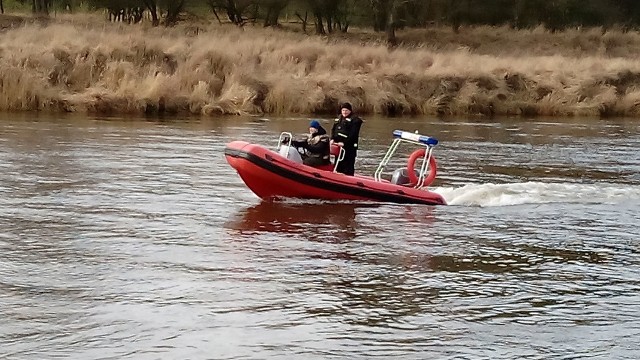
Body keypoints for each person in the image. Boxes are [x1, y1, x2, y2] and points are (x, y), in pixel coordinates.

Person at [330, 102, 363, 175]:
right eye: (343, 110)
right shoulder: (339, 119)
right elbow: (333, 130)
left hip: (349, 147)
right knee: (338, 163)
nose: (344, 112)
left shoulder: (355, 121)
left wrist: (344, 143)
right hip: (339, 146)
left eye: (346, 110)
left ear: (350, 111)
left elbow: (353, 134)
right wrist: (332, 139)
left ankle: (349, 177)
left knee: (348, 164)